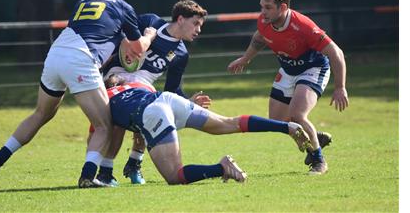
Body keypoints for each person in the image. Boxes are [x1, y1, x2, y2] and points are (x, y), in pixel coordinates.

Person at [0, 0, 157, 188]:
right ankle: (88, 176)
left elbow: (98, 29)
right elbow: (138, 48)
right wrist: (149, 35)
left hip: (56, 54)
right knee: (104, 124)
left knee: (41, 114)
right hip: (80, 58)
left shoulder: (82, 3)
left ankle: (0, 157)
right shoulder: (122, 5)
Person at [227, 0, 349, 175]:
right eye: (261, 7)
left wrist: (340, 87)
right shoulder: (264, 21)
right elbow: (260, 38)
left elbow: (337, 53)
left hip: (312, 69)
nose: (263, 12)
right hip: (288, 70)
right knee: (277, 121)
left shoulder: (303, 26)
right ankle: (314, 139)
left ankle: (318, 161)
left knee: (297, 115)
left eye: (268, 8)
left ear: (282, 7)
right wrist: (245, 58)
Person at [102, 74, 311, 185]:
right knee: (230, 122)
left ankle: (221, 168)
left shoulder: (104, 99)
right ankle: (287, 127)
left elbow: (108, 133)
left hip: (152, 112)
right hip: (167, 99)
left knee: (175, 176)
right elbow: (140, 131)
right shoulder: (137, 84)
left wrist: (103, 170)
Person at [90, 0, 211, 185]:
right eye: (195, 23)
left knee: (151, 109)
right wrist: (106, 58)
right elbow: (122, 36)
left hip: (143, 84)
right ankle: (105, 172)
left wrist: (188, 101)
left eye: (200, 26)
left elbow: (172, 89)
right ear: (180, 19)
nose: (198, 30)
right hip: (117, 74)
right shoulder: (151, 22)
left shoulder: (181, 55)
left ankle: (134, 163)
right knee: (117, 122)